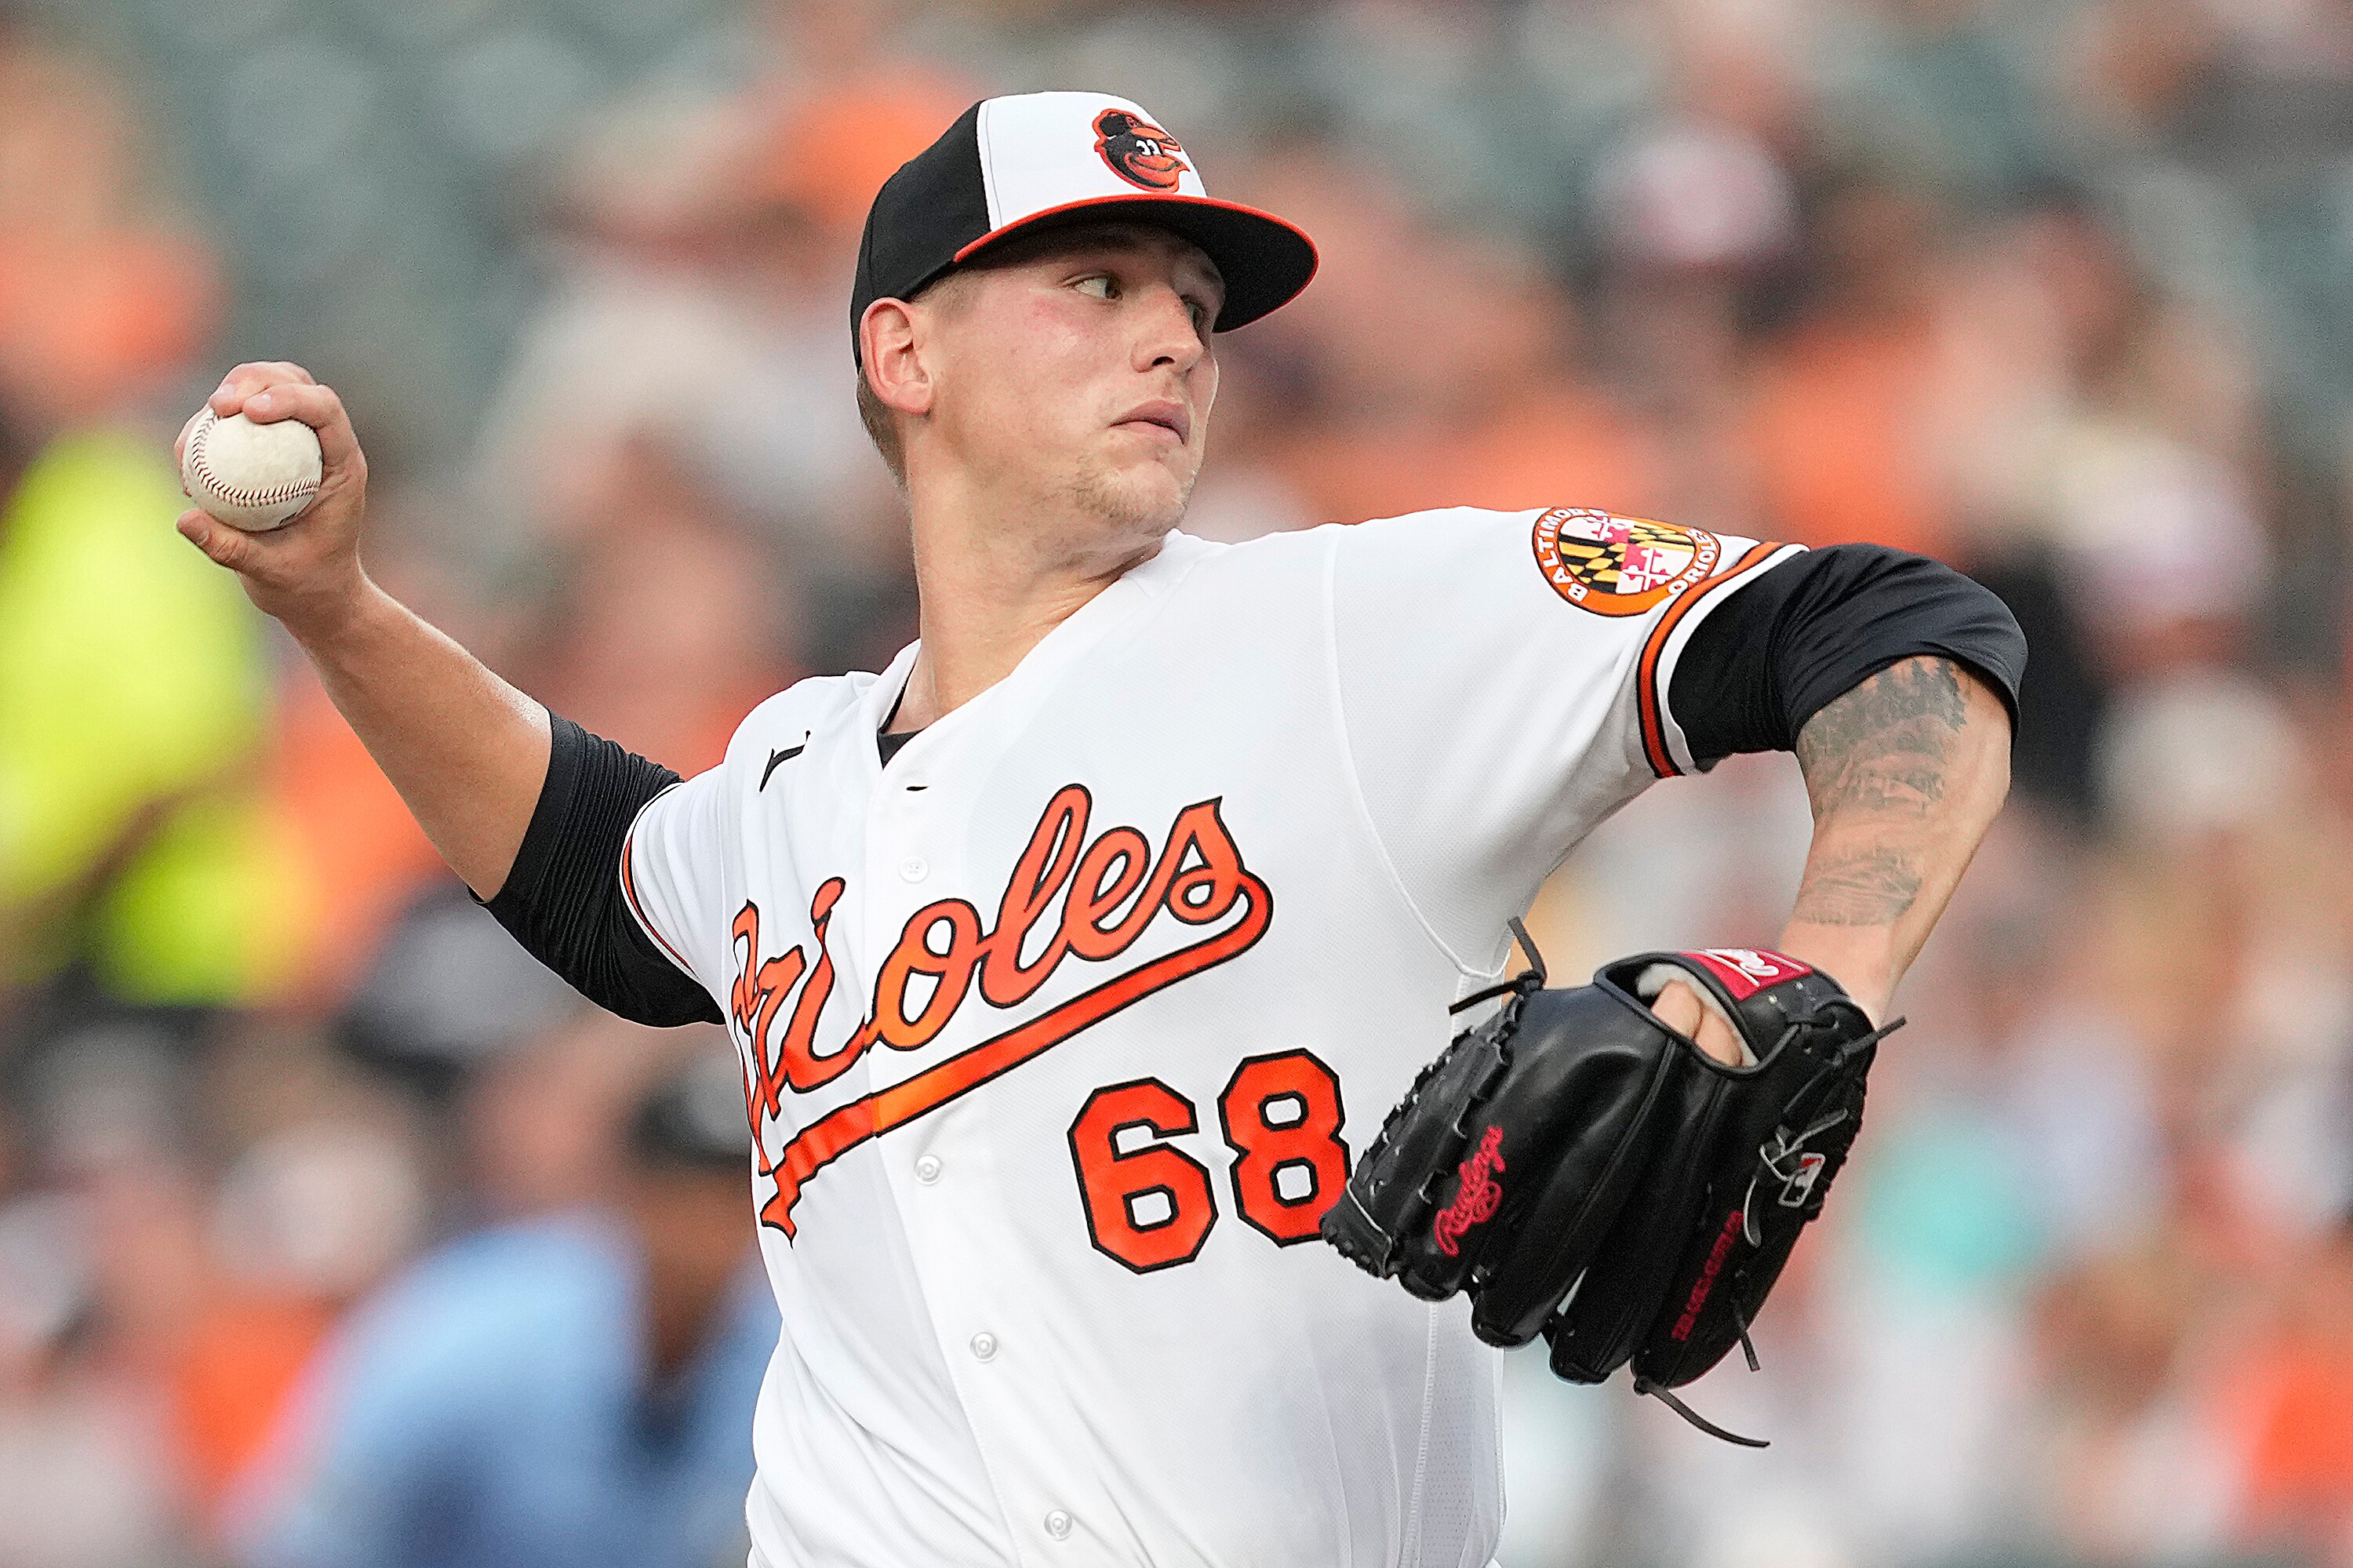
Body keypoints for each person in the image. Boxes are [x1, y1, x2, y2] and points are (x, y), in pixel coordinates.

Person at [176, 90, 2022, 1568]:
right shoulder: (798, 771)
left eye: (1192, 305)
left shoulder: (1348, 629)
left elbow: (1889, 628)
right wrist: (337, 609)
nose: (1174, 338)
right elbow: (602, 873)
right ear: (903, 350)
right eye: (1096, 283)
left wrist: (1823, 970)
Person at [228, 1050, 776, 1568]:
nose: (706, 1232)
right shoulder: (470, 1334)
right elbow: (299, 1543)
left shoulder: (785, 1355)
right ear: (627, 1193)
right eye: (682, 1196)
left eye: (734, 1197)